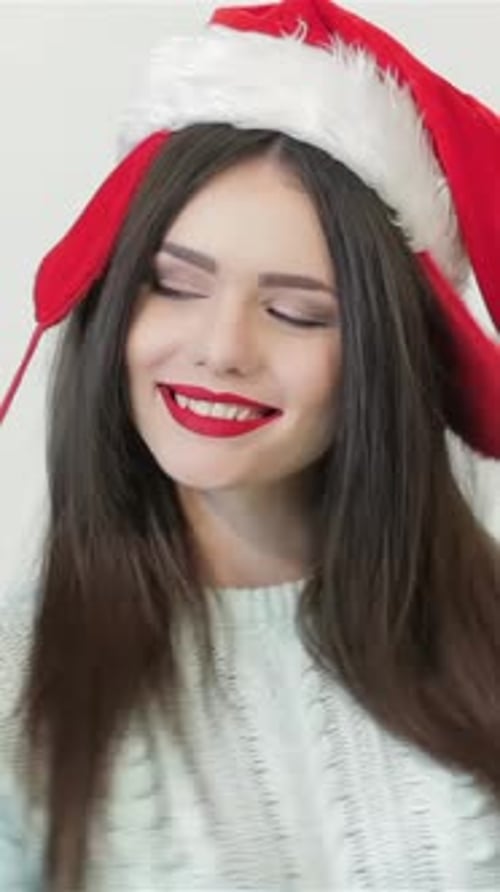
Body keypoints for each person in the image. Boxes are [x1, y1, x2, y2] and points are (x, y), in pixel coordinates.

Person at [1, 0, 500, 889]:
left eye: (295, 311)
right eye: (173, 286)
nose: (222, 348)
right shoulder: (12, 684)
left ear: (384, 360)